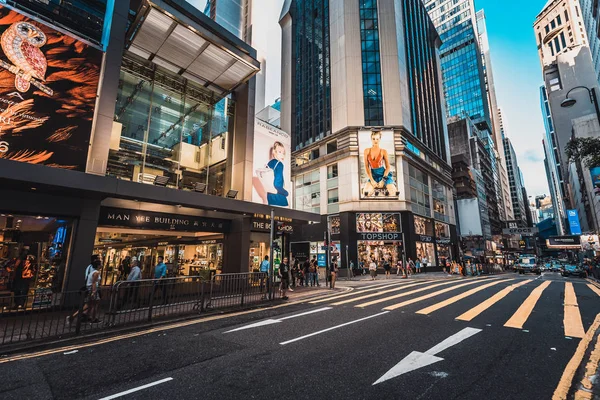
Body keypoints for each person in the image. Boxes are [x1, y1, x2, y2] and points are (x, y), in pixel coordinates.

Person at [67, 255, 101, 326]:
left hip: (89, 288)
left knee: (88, 305)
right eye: (99, 260)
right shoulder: (95, 271)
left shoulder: (90, 268)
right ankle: (92, 319)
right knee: (93, 304)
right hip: (91, 289)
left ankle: (75, 317)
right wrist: (94, 292)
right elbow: (94, 282)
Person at [362, 131, 398, 197]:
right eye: (373, 139)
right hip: (373, 175)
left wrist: (383, 180)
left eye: (377, 139)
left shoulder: (383, 151)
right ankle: (378, 189)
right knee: (366, 193)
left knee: (394, 193)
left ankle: (382, 189)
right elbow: (367, 167)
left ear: (380, 139)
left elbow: (388, 167)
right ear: (371, 139)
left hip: (383, 174)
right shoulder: (366, 151)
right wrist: (372, 180)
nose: (375, 141)